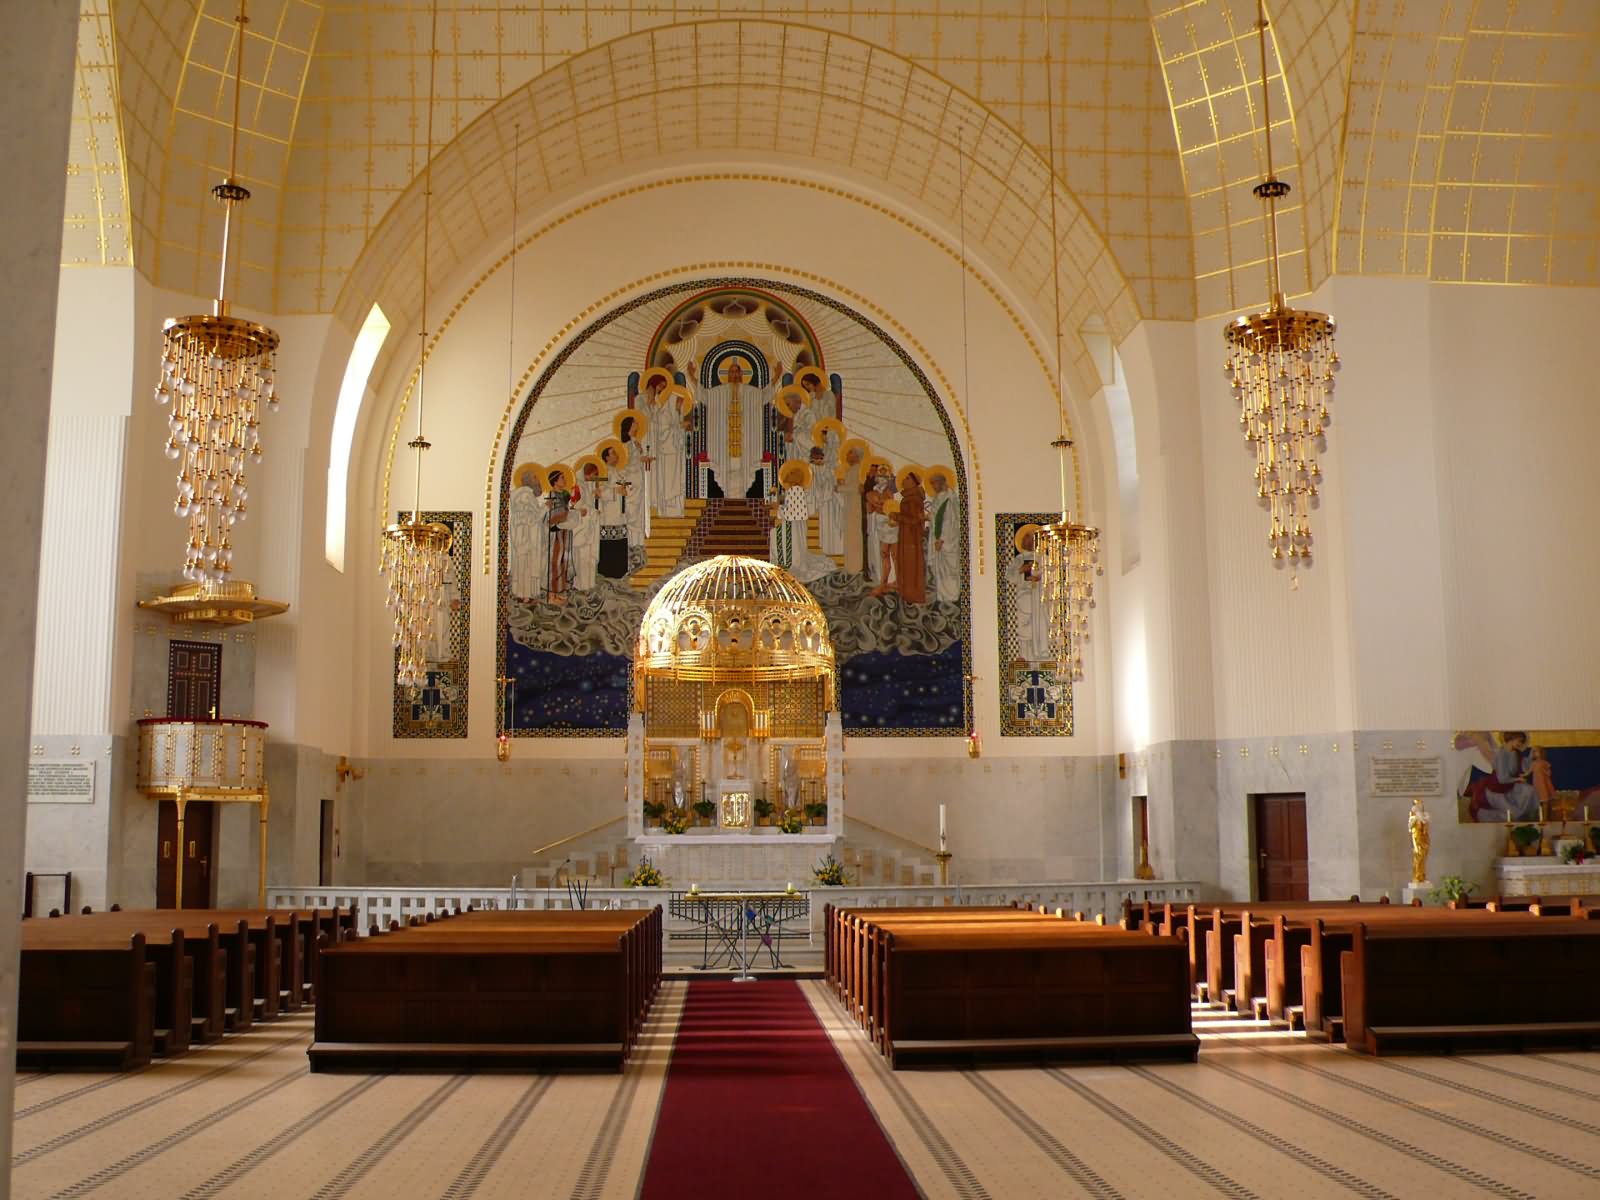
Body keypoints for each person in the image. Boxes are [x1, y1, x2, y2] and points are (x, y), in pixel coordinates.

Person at [926, 468, 961, 602]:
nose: (933, 487)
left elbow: (950, 522)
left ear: (941, 483)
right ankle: (942, 598)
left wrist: (942, 540)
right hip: (938, 540)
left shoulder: (949, 499)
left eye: (935, 483)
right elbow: (935, 519)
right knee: (940, 570)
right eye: (932, 484)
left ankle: (951, 597)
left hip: (947, 541)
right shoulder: (938, 498)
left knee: (949, 571)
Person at [893, 469, 928, 604]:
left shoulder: (913, 499)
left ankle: (912, 596)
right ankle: (907, 594)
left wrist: (897, 517)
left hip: (911, 538)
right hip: (907, 537)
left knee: (910, 567)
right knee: (907, 565)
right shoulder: (909, 497)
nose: (903, 481)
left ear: (914, 483)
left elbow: (914, 520)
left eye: (907, 479)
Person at [509, 475, 544, 601]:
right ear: (529, 481)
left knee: (522, 564)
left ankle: (523, 593)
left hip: (522, 534)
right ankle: (525, 595)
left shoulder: (519, 495)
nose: (538, 480)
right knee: (526, 565)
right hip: (525, 536)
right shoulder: (526, 495)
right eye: (536, 478)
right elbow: (532, 518)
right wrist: (546, 508)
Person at [865, 464, 898, 596]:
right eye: (880, 476)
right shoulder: (871, 492)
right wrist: (875, 504)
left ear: (888, 479)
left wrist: (879, 504)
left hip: (889, 524)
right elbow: (871, 508)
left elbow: (889, 507)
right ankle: (882, 581)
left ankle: (891, 582)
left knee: (892, 554)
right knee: (882, 553)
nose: (882, 479)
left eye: (885, 477)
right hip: (877, 523)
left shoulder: (888, 492)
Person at [594, 451, 627, 580]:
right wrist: (616, 491)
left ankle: (620, 572)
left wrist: (625, 490)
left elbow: (627, 488)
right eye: (614, 453)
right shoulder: (603, 472)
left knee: (619, 542)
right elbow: (599, 491)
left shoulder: (619, 472)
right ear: (607, 457)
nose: (617, 455)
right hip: (607, 514)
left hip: (619, 513)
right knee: (608, 545)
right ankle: (608, 573)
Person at [837, 443, 867, 575]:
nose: (847, 455)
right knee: (850, 535)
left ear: (857, 456)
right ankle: (849, 566)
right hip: (850, 506)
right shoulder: (852, 469)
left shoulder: (857, 469)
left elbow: (855, 488)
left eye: (850, 453)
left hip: (855, 508)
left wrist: (838, 488)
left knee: (854, 536)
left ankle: (854, 567)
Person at [544, 468, 574, 603]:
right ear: (555, 481)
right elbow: (550, 517)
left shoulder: (567, 494)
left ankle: (562, 591)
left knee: (565, 561)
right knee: (555, 561)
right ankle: (552, 593)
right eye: (562, 478)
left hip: (566, 530)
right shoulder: (551, 495)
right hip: (555, 532)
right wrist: (560, 517)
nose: (565, 480)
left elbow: (570, 508)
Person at [1407, 798, 1430, 885]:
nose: (1419, 807)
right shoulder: (1413, 816)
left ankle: (1422, 876)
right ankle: (1417, 876)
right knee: (1418, 855)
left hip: (1424, 837)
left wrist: (1423, 819)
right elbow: (1409, 827)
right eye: (1417, 805)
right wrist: (1417, 818)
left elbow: (1426, 823)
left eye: (1420, 805)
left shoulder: (1425, 815)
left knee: (1423, 856)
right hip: (1416, 837)